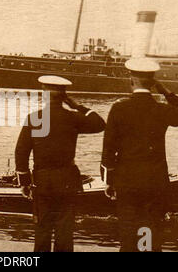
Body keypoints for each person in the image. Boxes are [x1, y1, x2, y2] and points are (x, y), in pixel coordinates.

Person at [101, 58, 178, 252]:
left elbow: (108, 149)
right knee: (151, 231)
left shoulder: (119, 108)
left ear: (131, 80)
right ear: (153, 82)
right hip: (155, 181)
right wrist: (165, 91)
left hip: (127, 180)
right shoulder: (161, 109)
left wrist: (109, 181)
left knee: (128, 234)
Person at [15, 75, 106, 252]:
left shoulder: (34, 118)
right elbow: (100, 123)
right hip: (67, 180)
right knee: (65, 231)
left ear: (44, 94)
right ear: (64, 96)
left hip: (42, 181)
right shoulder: (72, 118)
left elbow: (21, 152)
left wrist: (25, 182)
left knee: (42, 229)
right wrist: (76, 105)